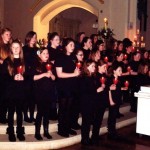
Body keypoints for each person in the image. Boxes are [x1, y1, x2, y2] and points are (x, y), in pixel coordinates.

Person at [55, 38, 80, 137]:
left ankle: (68, 127)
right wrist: (74, 74)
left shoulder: (74, 57)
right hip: (63, 86)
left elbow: (76, 70)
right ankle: (61, 129)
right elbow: (59, 74)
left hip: (72, 86)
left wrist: (77, 72)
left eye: (73, 45)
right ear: (65, 46)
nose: (73, 47)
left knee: (70, 108)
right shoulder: (60, 57)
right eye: (71, 45)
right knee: (63, 108)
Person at [2, 40, 26, 141]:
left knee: (20, 112)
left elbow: (29, 76)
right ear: (11, 49)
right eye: (13, 47)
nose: (15, 49)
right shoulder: (7, 61)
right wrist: (13, 78)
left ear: (20, 49)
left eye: (17, 47)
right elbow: (3, 78)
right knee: (11, 112)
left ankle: (20, 132)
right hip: (11, 91)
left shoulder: (24, 61)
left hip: (21, 91)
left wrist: (24, 78)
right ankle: (11, 131)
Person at [32, 47, 55, 140]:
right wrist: (44, 74)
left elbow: (54, 79)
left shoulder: (50, 65)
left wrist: (51, 74)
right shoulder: (36, 64)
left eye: (47, 53)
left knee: (47, 113)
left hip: (49, 92)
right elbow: (33, 78)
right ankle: (37, 132)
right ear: (39, 55)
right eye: (44, 53)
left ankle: (46, 131)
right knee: (40, 112)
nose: (46, 55)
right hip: (40, 92)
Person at [91, 60, 109, 145]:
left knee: (99, 119)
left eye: (106, 67)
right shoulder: (95, 76)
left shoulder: (104, 75)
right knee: (96, 119)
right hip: (96, 101)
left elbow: (107, 86)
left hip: (103, 100)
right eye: (103, 67)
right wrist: (99, 88)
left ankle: (96, 135)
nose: (105, 68)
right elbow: (93, 89)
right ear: (98, 67)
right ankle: (94, 136)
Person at [107, 63, 128, 140]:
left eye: (121, 70)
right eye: (119, 70)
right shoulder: (110, 79)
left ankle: (113, 131)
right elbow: (109, 90)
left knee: (114, 115)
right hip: (112, 100)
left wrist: (123, 88)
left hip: (117, 99)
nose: (121, 71)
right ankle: (110, 132)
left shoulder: (118, 79)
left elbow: (117, 88)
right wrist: (111, 101)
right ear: (114, 71)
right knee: (112, 116)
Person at [23, 31, 38, 123]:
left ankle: (32, 116)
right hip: (26, 75)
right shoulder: (24, 49)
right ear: (28, 38)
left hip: (35, 75)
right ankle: (25, 115)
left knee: (33, 97)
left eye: (35, 37)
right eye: (32, 37)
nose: (34, 39)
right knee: (26, 97)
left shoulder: (37, 49)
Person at [0, 28, 12, 124]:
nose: (9, 36)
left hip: (8, 74)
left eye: (9, 34)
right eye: (7, 34)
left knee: (7, 96)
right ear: (2, 35)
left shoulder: (10, 46)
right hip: (1, 73)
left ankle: (4, 115)